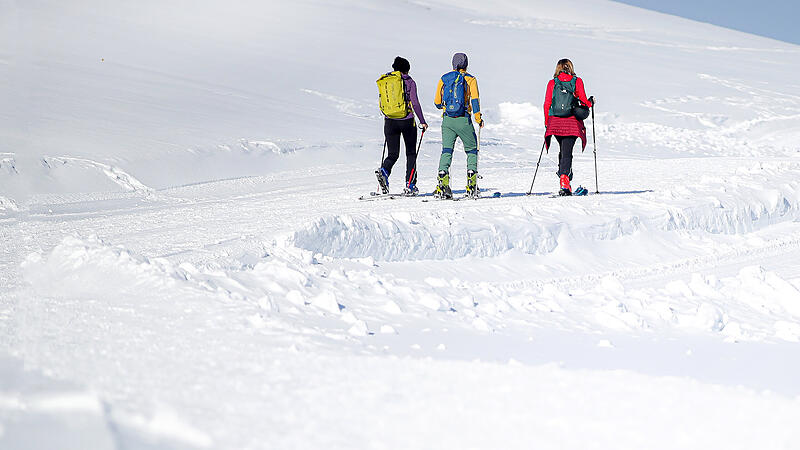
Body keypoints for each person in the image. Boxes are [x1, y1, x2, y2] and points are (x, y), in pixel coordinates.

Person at [433, 52, 483, 199]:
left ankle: (443, 184)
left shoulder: (444, 78)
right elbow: (475, 100)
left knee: (447, 151)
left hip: (447, 120)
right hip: (464, 119)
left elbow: (437, 102)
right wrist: (478, 118)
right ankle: (471, 185)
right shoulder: (471, 79)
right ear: (466, 64)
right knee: (472, 150)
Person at [376, 56, 428, 195]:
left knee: (392, 154)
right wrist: (422, 121)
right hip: (407, 121)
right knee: (411, 153)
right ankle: (410, 184)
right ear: (407, 69)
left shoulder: (387, 81)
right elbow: (415, 103)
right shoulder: (409, 82)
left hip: (390, 120)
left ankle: (384, 171)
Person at [543, 58, 593, 196]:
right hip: (571, 122)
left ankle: (564, 177)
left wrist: (547, 123)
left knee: (563, 150)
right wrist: (590, 102)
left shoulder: (552, 83)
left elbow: (547, 103)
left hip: (555, 122)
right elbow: (583, 100)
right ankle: (565, 179)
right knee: (567, 151)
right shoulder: (577, 81)